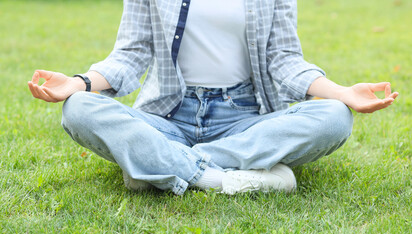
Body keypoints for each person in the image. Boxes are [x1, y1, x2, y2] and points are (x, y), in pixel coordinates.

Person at [28, 0, 398, 195]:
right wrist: (78, 83)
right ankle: (222, 178)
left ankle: (157, 167)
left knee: (334, 116)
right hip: (169, 118)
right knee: (78, 108)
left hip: (242, 120)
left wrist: (342, 93)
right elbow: (130, 55)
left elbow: (283, 60)